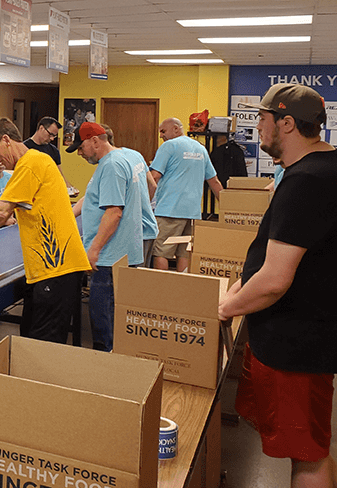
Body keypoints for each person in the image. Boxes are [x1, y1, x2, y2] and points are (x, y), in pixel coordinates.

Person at [218, 83, 337, 488]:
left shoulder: (308, 180)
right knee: (311, 447)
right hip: (303, 338)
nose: (256, 126)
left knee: (305, 456)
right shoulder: (325, 168)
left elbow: (275, 280)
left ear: (287, 123)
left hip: (296, 346)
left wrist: (226, 307)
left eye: (262, 118)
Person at [0, 119, 90, 347]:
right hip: (46, 271)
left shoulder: (31, 163)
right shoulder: (34, 161)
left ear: (6, 140)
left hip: (57, 269)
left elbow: (1, 212)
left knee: (43, 348)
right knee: (31, 337)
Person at [68, 122, 143, 352]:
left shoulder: (111, 166)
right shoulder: (117, 160)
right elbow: (92, 197)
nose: (80, 153)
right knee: (110, 317)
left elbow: (113, 213)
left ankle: (107, 366)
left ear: (95, 141)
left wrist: (94, 250)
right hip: (118, 253)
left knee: (103, 319)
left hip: (111, 257)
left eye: (81, 147)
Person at [149, 117, 223, 272]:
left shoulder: (168, 146)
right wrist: (228, 210)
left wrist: (144, 202)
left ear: (176, 128)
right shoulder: (201, 149)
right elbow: (214, 181)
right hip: (192, 214)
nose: (161, 135)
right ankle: (182, 291)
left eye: (163, 131)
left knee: (161, 253)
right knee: (184, 254)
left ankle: (160, 291)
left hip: (169, 211)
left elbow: (154, 177)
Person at [102, 125, 158, 267]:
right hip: (148, 227)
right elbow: (152, 186)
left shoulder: (112, 165)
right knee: (140, 282)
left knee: (130, 284)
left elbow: (114, 210)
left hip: (134, 234)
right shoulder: (134, 154)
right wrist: (140, 207)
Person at [23, 116, 78, 196]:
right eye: (50, 134)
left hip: (49, 194)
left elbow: (59, 174)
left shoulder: (54, 151)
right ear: (41, 128)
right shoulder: (24, 148)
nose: (52, 139)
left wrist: (69, 188)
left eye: (54, 136)